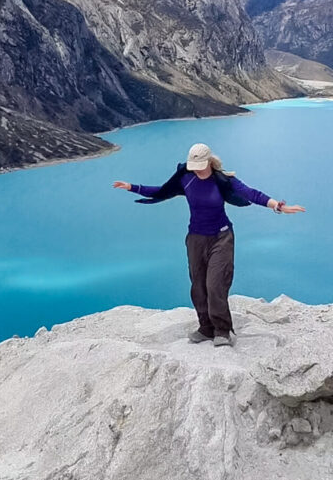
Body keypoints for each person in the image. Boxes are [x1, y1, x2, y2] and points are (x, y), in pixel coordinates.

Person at [113, 142, 305, 347]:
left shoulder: (223, 180)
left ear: (209, 162)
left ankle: (222, 330)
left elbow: (252, 194)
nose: (196, 170)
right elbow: (161, 191)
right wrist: (132, 187)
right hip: (195, 239)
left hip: (221, 237)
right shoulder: (185, 178)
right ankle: (206, 328)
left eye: (200, 165)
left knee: (215, 284)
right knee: (198, 286)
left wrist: (278, 206)